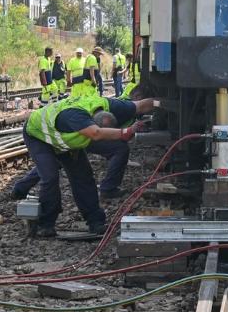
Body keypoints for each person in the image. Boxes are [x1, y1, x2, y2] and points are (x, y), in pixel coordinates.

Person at [14, 94, 159, 237]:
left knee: (83, 177)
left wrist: (164, 103)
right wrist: (125, 132)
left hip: (65, 138)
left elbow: (142, 105)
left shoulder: (114, 106)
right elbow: (96, 134)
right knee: (50, 176)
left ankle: (95, 222)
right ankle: (45, 225)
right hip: (39, 136)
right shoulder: (75, 117)